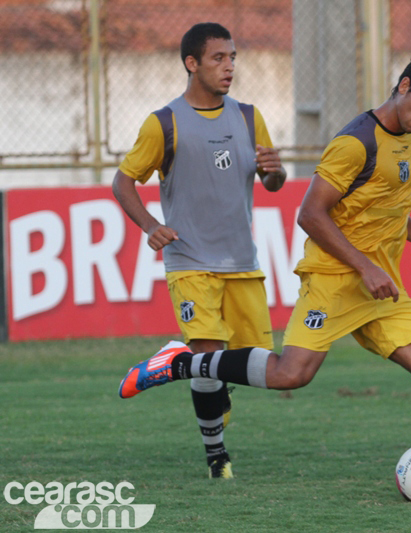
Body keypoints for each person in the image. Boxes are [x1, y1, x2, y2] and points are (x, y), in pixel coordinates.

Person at [119, 50, 411, 498]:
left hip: (381, 287)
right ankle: (179, 363)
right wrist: (365, 266)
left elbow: (384, 207)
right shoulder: (356, 142)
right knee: (290, 374)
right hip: (335, 280)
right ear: (405, 86)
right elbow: (311, 214)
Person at [113, 22, 286, 479]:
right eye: (218, 59)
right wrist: (151, 225)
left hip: (241, 262)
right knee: (209, 355)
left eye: (232, 57)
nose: (229, 67)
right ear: (192, 63)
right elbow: (123, 180)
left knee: (254, 366)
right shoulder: (164, 122)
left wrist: (275, 172)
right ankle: (217, 459)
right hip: (190, 261)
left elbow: (271, 183)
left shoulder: (249, 116)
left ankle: (175, 362)